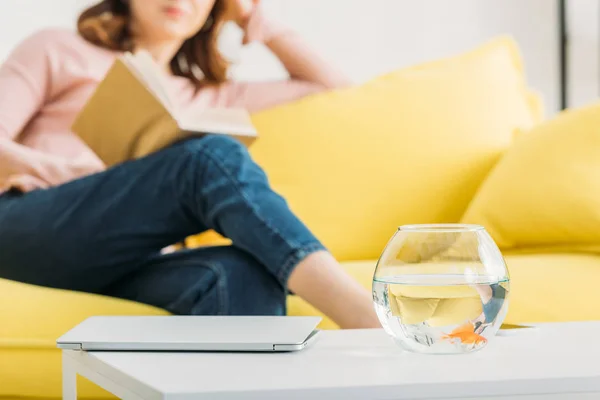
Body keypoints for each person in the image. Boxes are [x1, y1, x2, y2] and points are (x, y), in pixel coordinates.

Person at [0, 0, 379, 329]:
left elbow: (336, 91)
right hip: (31, 226)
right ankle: (364, 317)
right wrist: (62, 172)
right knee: (210, 155)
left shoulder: (213, 95)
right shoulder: (59, 48)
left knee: (240, 272)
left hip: (125, 256)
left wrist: (250, 17)